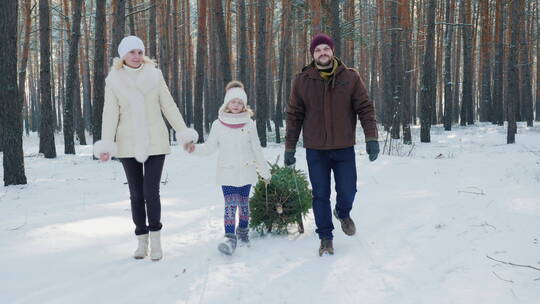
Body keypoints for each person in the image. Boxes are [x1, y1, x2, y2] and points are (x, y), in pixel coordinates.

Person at [93, 35, 198, 261]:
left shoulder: (154, 75)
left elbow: (168, 105)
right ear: (123, 55)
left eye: (140, 52)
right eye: (132, 52)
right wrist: (106, 143)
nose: (137, 56)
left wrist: (183, 134)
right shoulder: (113, 80)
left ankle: (157, 240)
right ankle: (141, 242)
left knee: (151, 192)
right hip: (126, 142)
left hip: (155, 141)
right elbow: (109, 114)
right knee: (136, 194)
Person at [284, 33, 379, 256]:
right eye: (317, 50)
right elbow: (294, 115)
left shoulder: (350, 77)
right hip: (316, 150)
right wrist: (290, 147)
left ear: (333, 51)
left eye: (326, 48)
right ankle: (325, 237)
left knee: (348, 189)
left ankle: (343, 212)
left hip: (343, 147)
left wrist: (371, 137)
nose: (322, 53)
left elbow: (365, 108)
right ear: (312, 54)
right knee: (320, 194)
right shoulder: (302, 80)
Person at [185, 80, 271, 255]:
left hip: (246, 171)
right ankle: (230, 238)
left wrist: (264, 171)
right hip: (227, 172)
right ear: (227, 104)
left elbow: (256, 149)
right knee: (230, 205)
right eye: (233, 102)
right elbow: (209, 148)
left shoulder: (249, 124)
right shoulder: (218, 124)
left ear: (244, 105)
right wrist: (194, 149)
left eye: (240, 102)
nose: (236, 105)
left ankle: (243, 232)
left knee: (244, 204)